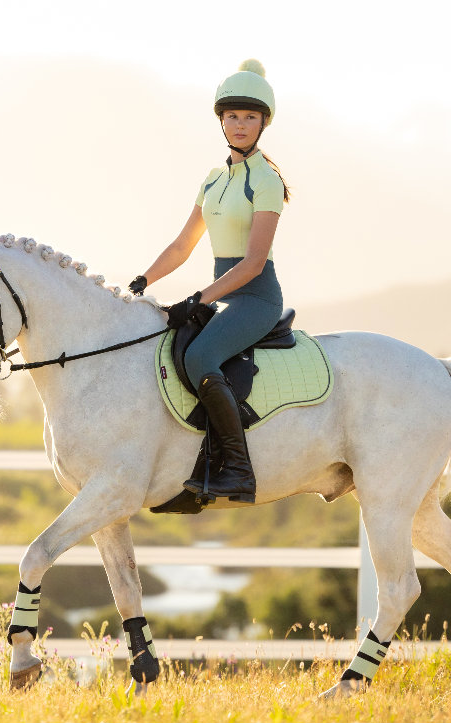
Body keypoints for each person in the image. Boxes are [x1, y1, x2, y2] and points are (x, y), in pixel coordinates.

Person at [128, 59, 290, 505]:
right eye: (232, 116)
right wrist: (142, 281)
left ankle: (237, 469)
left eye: (249, 117)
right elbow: (183, 246)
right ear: (221, 120)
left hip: (254, 299)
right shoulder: (213, 180)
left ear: (262, 123)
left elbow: (254, 263)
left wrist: (199, 299)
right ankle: (186, 464)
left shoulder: (267, 181)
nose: (240, 125)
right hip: (223, 297)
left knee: (200, 355)